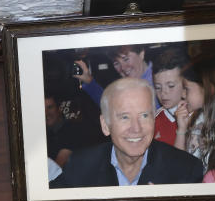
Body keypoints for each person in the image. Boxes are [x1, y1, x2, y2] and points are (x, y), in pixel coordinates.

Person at [52, 77, 204, 188]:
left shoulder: (185, 170)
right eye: (125, 117)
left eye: (144, 115)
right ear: (106, 125)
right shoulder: (80, 167)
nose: (136, 128)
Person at [174, 56, 215, 183]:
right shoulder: (197, 117)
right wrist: (181, 129)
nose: (182, 95)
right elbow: (178, 164)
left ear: (209, 89)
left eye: (187, 89)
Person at [72, 44, 155, 108]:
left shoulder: (158, 82)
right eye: (116, 63)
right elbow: (112, 107)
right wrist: (89, 80)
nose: (123, 68)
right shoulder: (132, 84)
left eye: (126, 59)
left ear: (141, 54)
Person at [151, 47, 189, 146]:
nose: (163, 93)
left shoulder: (198, 115)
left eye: (170, 86)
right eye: (158, 87)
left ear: (185, 85)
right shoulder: (155, 121)